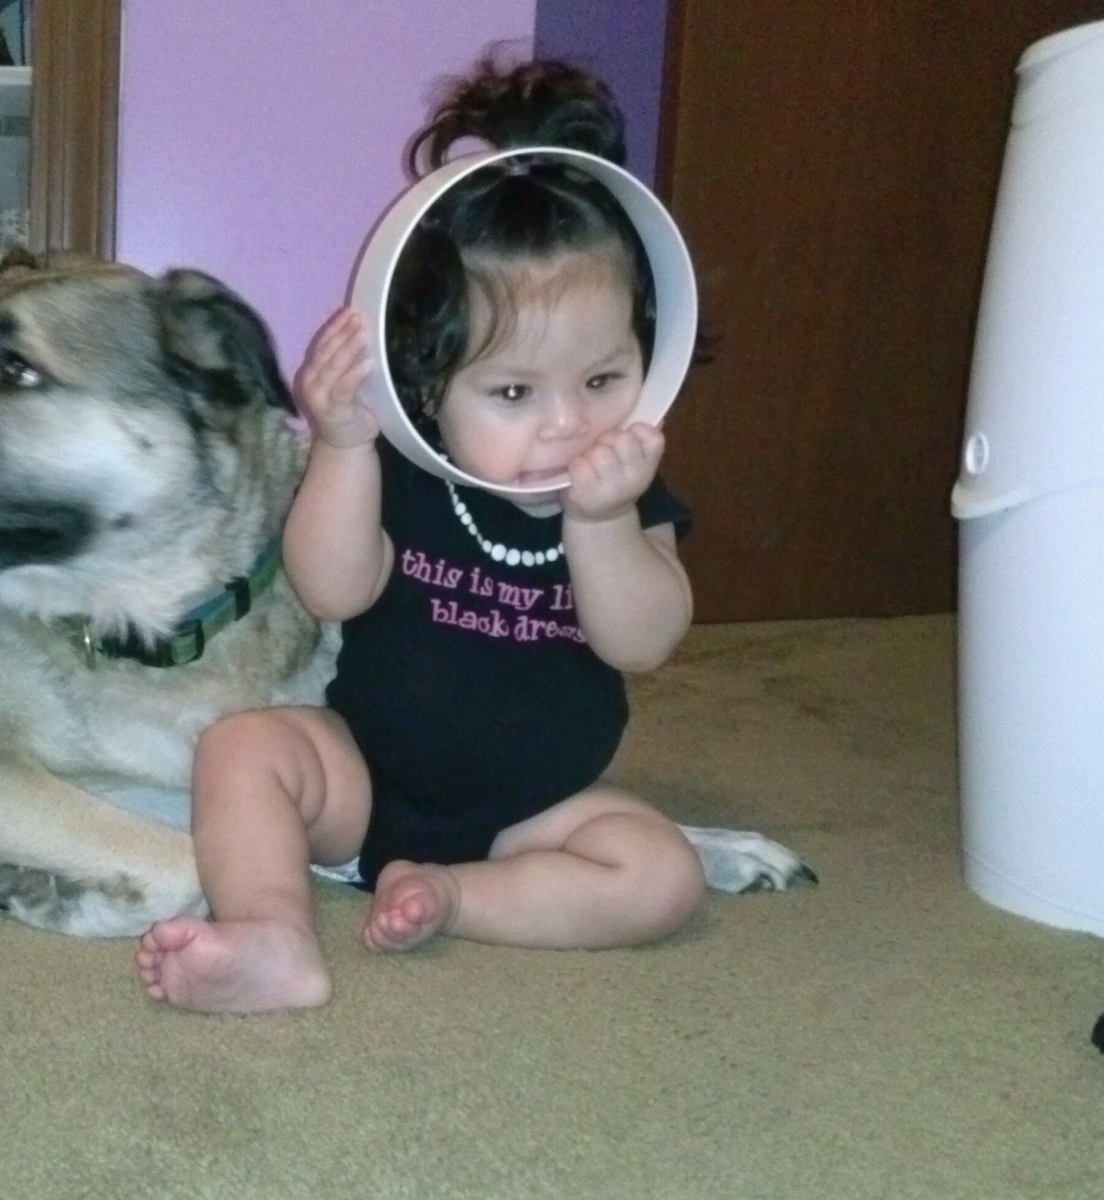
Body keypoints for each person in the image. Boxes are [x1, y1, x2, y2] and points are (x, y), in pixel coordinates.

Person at [136, 57, 704, 1014]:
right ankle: (273, 934)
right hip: (367, 778)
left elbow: (643, 640)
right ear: (429, 392)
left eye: (603, 381)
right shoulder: (401, 470)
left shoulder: (626, 493)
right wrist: (347, 447)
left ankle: (459, 897)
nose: (568, 424)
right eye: (516, 392)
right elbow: (332, 587)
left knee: (661, 874)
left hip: (539, 813)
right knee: (242, 749)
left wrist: (601, 522)